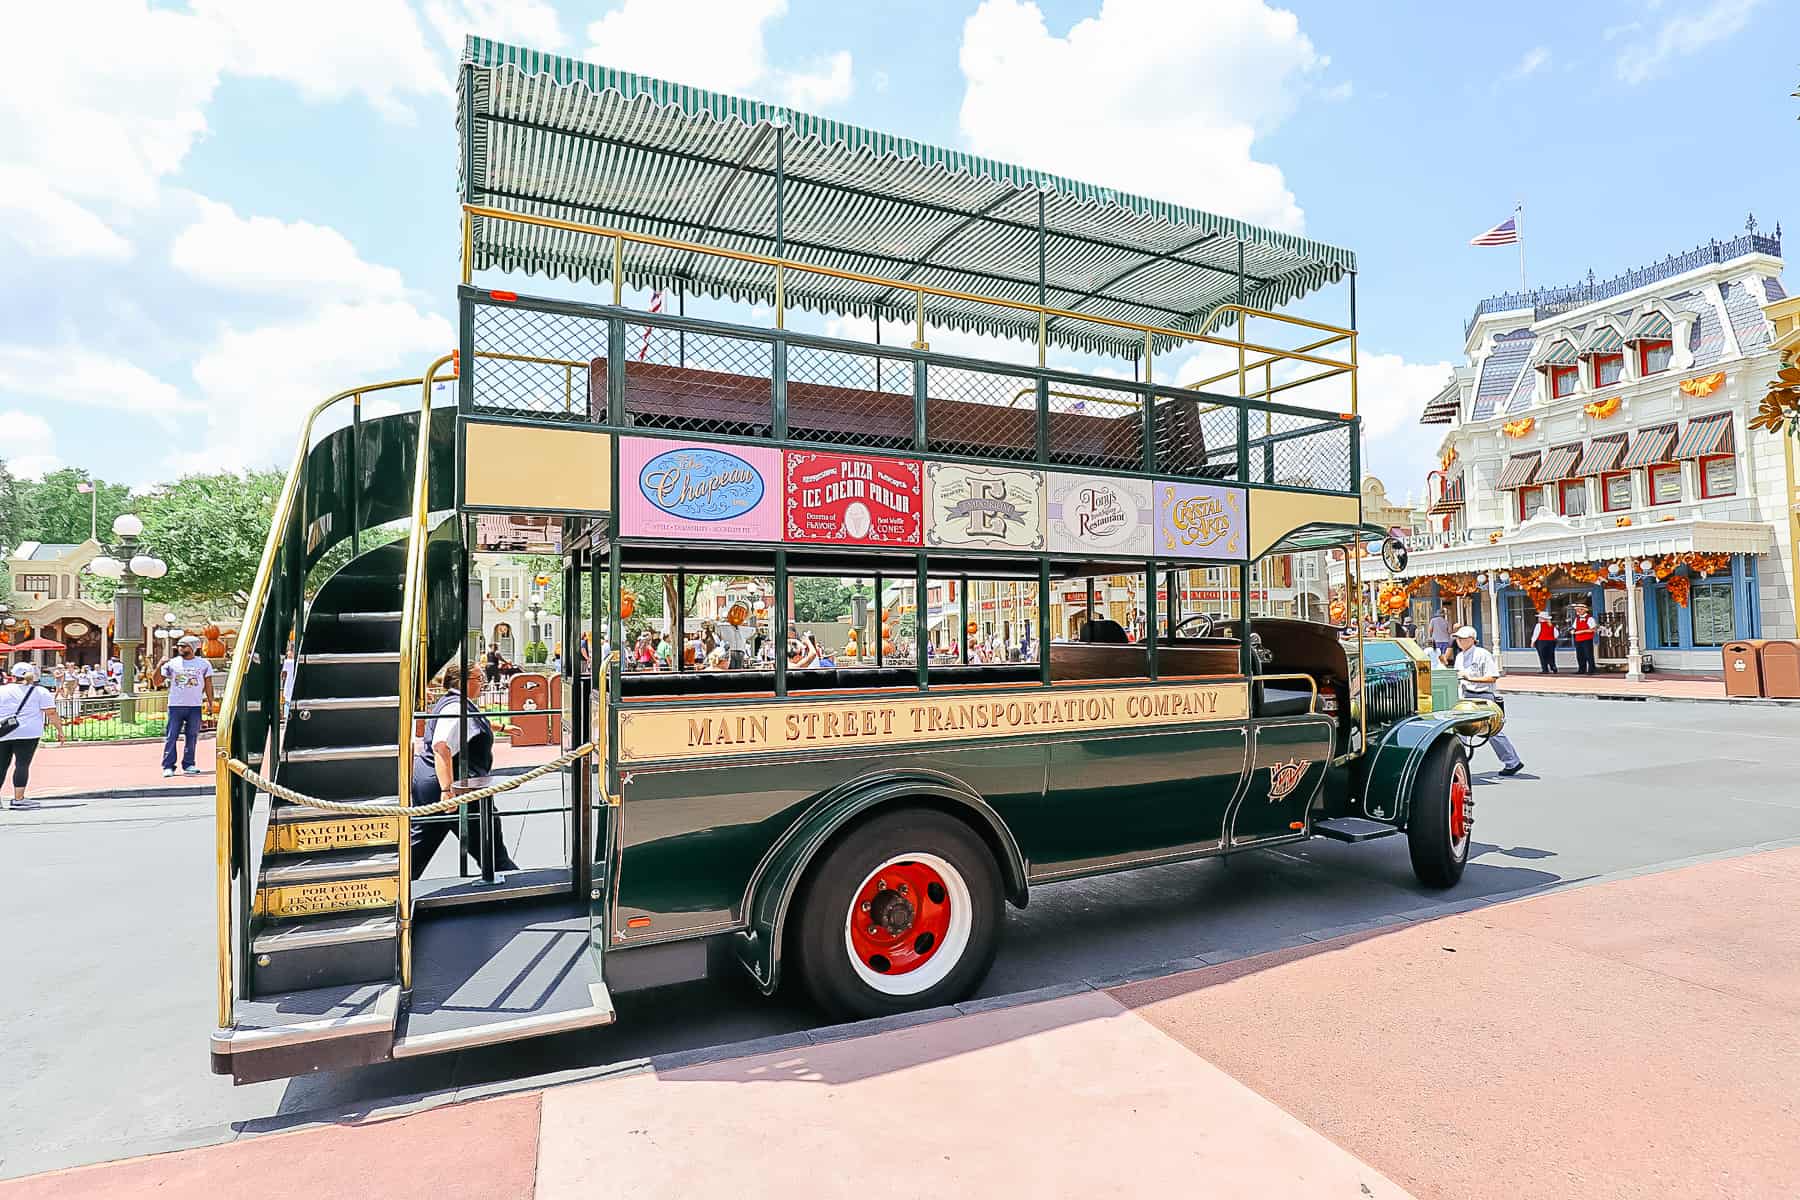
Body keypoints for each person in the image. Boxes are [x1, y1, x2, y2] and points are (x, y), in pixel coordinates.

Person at [409, 663, 517, 878]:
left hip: (434, 782)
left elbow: (469, 724)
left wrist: (501, 727)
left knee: (421, 844)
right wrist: (447, 790)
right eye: (479, 679)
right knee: (490, 844)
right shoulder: (454, 708)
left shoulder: (454, 702)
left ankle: (396, 885)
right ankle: (517, 885)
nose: (483, 684)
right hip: (456, 787)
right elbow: (441, 746)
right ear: (464, 682)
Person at [1452, 625, 1524, 776]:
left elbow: (1492, 677)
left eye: (1462, 638)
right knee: (1461, 730)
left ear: (1472, 640)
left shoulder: (1482, 654)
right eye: (1458, 638)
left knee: (1493, 731)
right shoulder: (1459, 656)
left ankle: (1512, 762)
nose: (1459, 641)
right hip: (1466, 696)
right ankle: (1458, 763)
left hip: (1483, 696)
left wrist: (1470, 678)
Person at [1, 663, 62, 810]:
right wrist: (59, 730)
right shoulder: (40, 691)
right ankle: (18, 798)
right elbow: (51, 713)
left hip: (3, 731)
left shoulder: (2, 690)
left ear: (13, 675)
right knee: (22, 764)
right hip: (28, 732)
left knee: (1, 766)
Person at [159, 635, 215, 778]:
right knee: (172, 736)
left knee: (192, 736)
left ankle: (189, 764)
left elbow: (208, 684)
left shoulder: (204, 664)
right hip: (176, 705)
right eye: (179, 646)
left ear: (193, 648)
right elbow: (157, 681)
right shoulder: (172, 663)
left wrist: (210, 703)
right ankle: (168, 766)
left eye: (184, 646)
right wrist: (160, 664)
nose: (180, 648)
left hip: (194, 706)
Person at [1569, 602, 1598, 676]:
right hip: (1578, 639)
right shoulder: (1577, 619)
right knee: (1580, 655)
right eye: (1577, 610)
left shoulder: (1590, 618)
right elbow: (1574, 627)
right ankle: (1581, 669)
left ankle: (1591, 670)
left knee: (1588, 655)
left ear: (1584, 610)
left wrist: (1582, 631)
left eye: (1580, 610)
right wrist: (1572, 630)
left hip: (1587, 639)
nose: (1578, 611)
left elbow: (1593, 630)